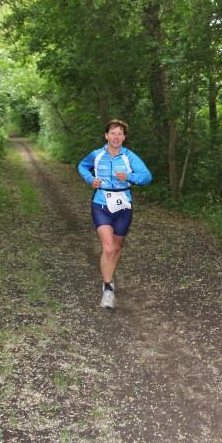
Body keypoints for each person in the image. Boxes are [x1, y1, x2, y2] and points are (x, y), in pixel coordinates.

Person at [77, 119, 152, 309]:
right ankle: (108, 288)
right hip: (101, 203)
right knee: (109, 248)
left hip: (123, 206)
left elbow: (147, 177)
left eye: (120, 134)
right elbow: (82, 166)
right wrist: (90, 179)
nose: (116, 137)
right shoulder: (97, 155)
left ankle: (109, 277)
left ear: (124, 137)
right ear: (106, 135)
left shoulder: (129, 157)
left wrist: (129, 176)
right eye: (113, 133)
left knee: (117, 248)